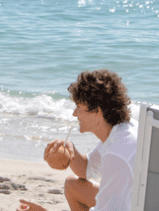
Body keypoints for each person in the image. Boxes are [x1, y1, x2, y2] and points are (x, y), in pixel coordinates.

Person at [18, 69, 137, 211]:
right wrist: (69, 149)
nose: (75, 113)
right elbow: (88, 168)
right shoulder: (121, 131)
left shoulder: (116, 154)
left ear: (97, 111)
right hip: (137, 200)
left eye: (79, 107)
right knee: (73, 185)